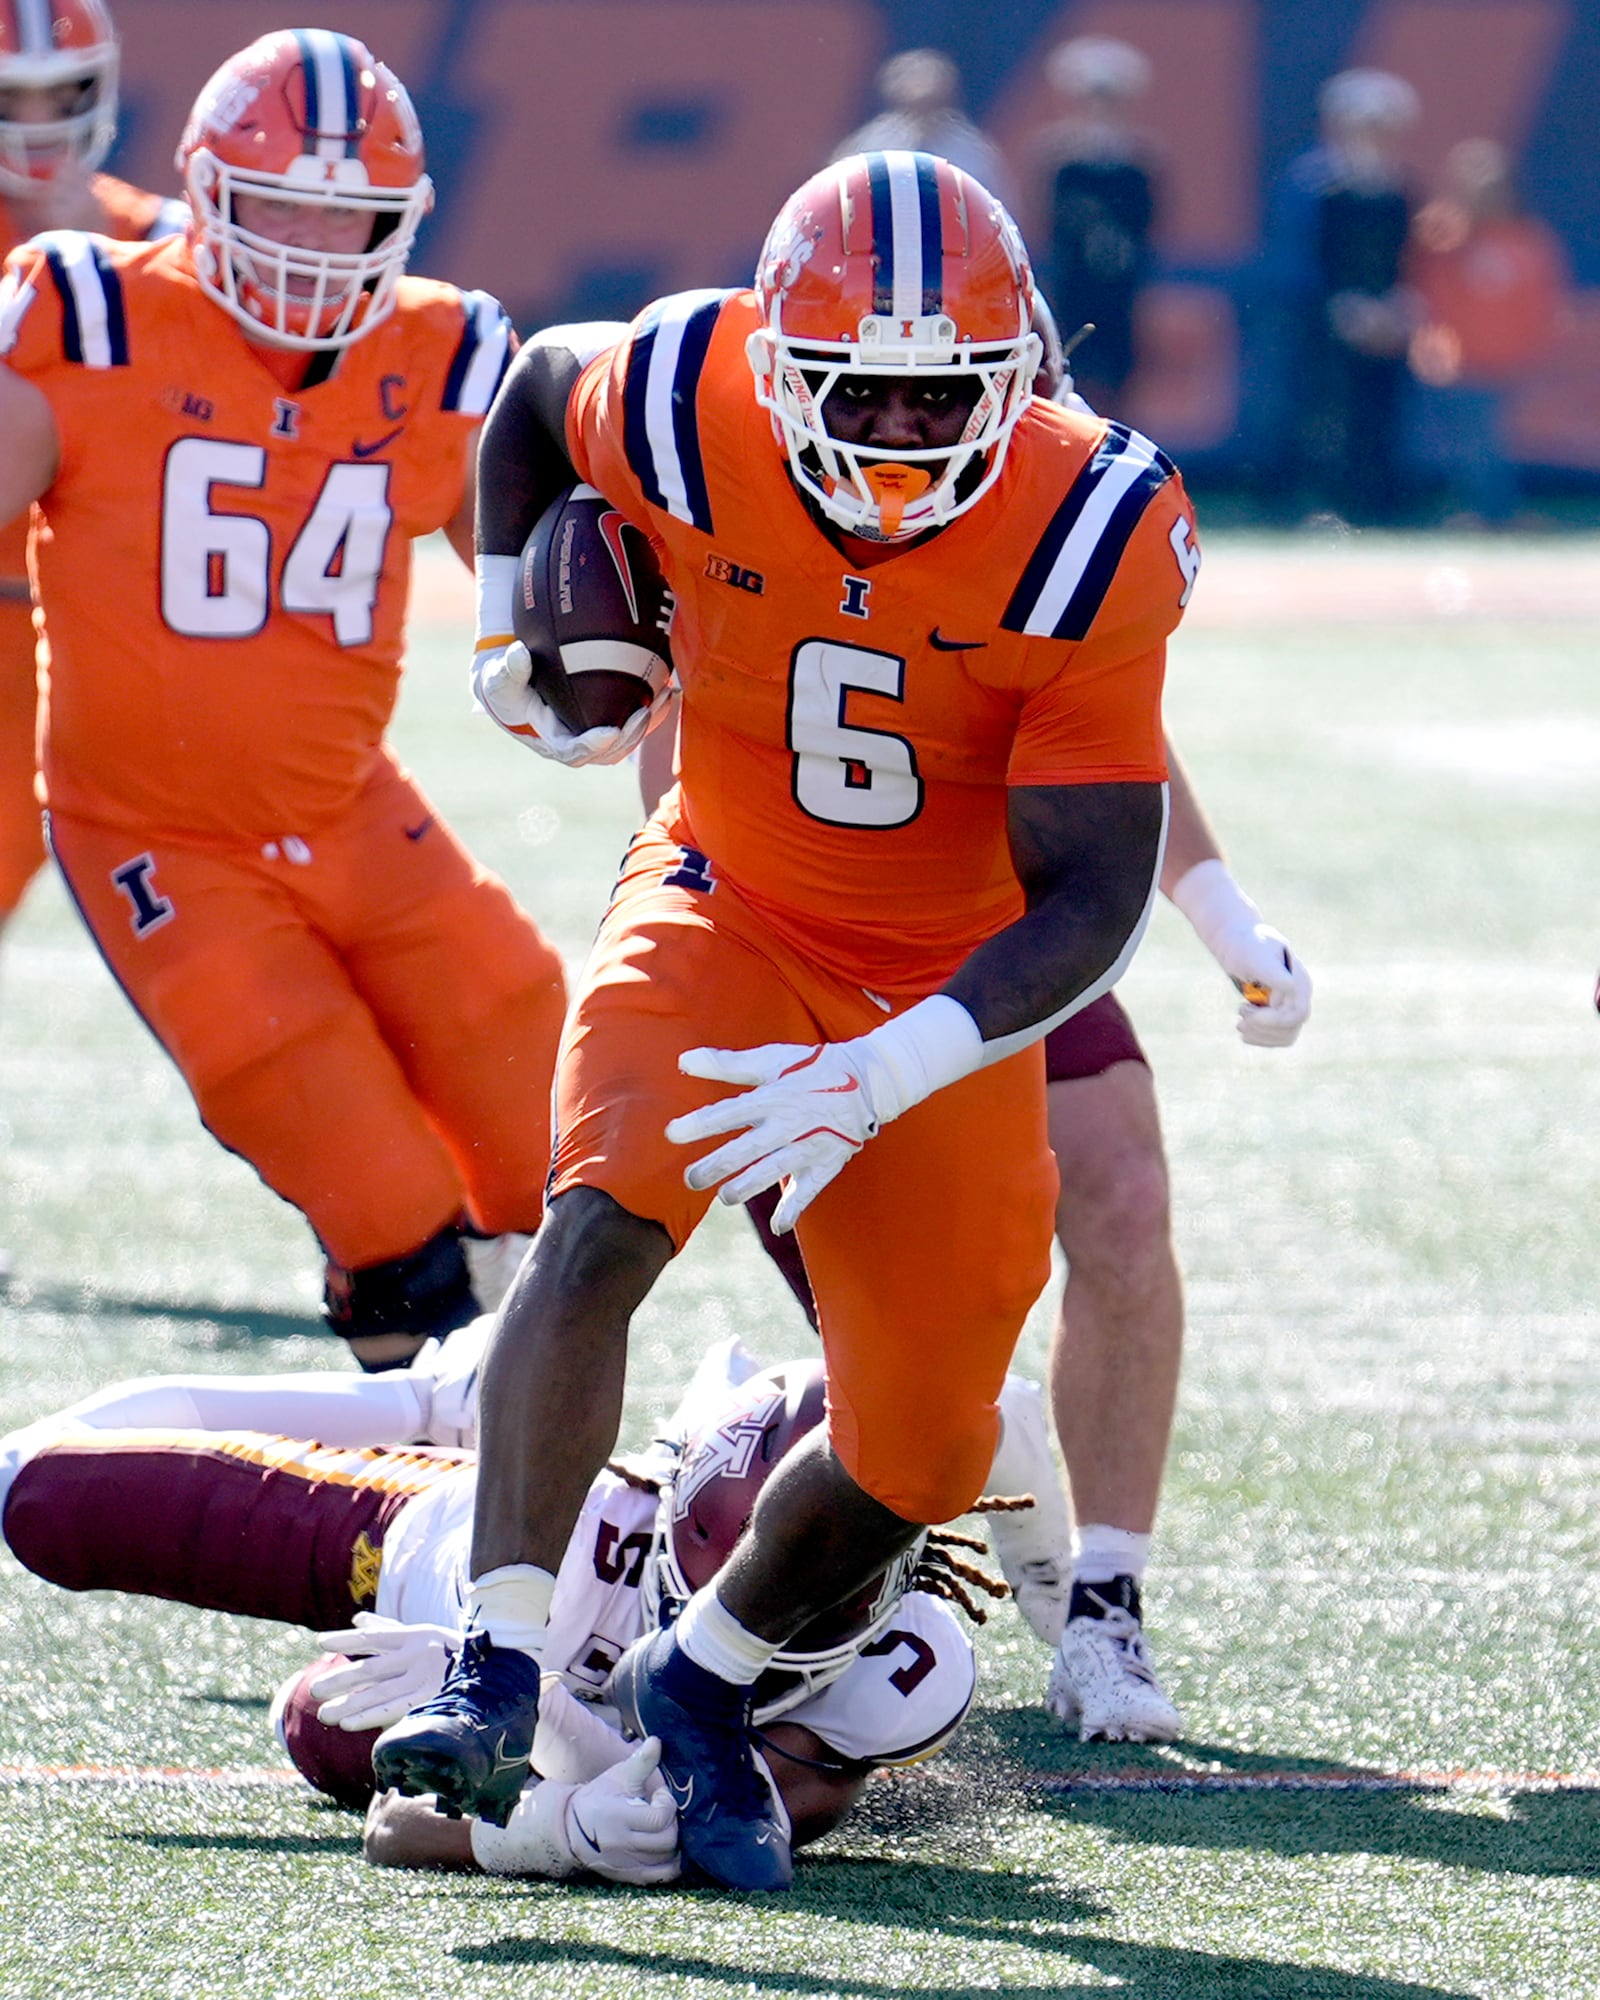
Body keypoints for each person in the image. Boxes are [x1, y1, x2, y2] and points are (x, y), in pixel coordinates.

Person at [373, 149, 1197, 1892]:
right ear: (774, 353)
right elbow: (531, 399)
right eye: (858, 387)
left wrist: (886, 1068)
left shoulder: (1088, 523)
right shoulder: (683, 386)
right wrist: (511, 618)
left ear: (1017, 374)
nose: (899, 431)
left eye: (941, 392)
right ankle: (497, 1660)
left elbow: (1093, 895)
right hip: (724, 898)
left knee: (927, 1444)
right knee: (597, 1224)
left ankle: (705, 1678)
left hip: (947, 986)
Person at [0, 30, 569, 1366]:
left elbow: (534, 583)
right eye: (280, 205)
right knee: (375, 1191)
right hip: (154, 833)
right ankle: (428, 1485)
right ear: (203, 193)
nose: (315, 244)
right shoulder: (89, 314)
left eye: (349, 213)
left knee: (531, 1073)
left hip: (348, 807)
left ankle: (519, 1443)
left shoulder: (447, 354)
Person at [0, 1331, 990, 1883]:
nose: (751, 1624)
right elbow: (402, 1827)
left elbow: (752, 1816)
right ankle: (440, 1398)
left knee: (322, 1727)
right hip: (414, 1540)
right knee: (40, 1496)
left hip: (520, 1686)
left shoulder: (905, 1657)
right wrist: (551, 1787)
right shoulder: (573, 1568)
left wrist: (552, 1823)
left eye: (793, 1603)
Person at [0, 0, 186, 939]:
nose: (38, 126)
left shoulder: (167, 243)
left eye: (58, 94)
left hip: (127, 637)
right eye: (12, 98)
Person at [1264, 68, 1421, 524]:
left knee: (1379, 410)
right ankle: (1314, 502)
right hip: (1323, 322)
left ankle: (1373, 502)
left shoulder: (1397, 187)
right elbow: (1298, 255)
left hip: (1383, 322)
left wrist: (1396, 305)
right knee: (1318, 408)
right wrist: (1339, 307)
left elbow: (1408, 255)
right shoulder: (1315, 183)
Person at [1405, 138, 1571, 526]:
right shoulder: (1442, 238)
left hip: (1513, 362)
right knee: (1475, 443)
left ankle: (1500, 512)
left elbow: (1542, 303)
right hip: (1466, 362)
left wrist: (1537, 352)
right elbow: (1429, 297)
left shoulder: (1528, 240)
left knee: (1497, 442)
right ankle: (1490, 513)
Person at [1031, 35, 1158, 415]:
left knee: (1120, 369)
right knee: (1073, 364)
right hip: (1075, 284)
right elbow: (1054, 221)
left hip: (1120, 288)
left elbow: (1147, 224)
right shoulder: (1062, 159)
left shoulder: (1137, 161)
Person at [831, 49, 1019, 214]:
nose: (923, 110)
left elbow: (998, 206)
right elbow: (838, 195)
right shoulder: (870, 144)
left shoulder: (972, 151)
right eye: (915, 104)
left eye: (930, 103)